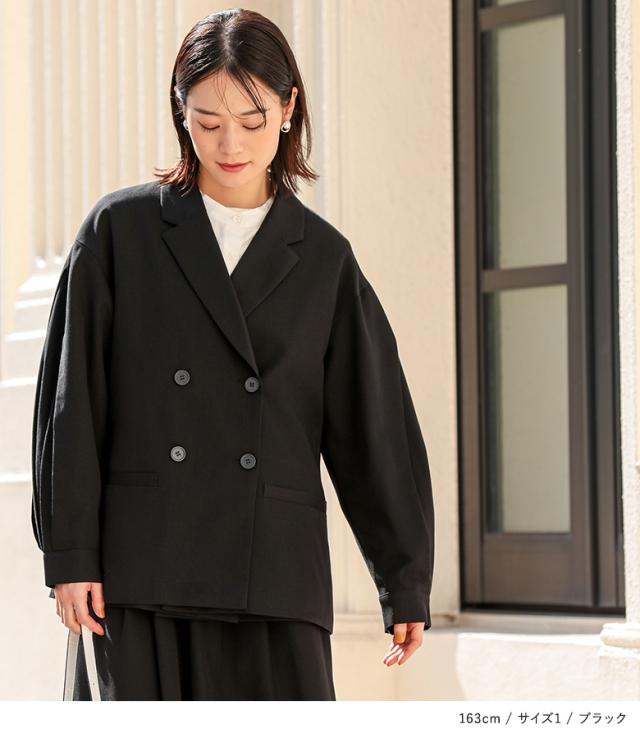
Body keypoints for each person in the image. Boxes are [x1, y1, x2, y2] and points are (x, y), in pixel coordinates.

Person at [31, 8, 435, 701]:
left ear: (288, 108)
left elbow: (373, 424)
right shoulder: (119, 233)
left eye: (252, 120)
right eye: (208, 121)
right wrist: (70, 553)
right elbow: (71, 405)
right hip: (142, 567)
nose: (230, 144)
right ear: (180, 112)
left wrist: (404, 578)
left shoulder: (324, 259)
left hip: (273, 574)